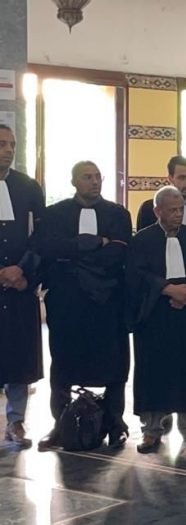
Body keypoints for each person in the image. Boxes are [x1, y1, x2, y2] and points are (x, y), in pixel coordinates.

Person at [36, 161, 132, 450]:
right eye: (87, 177)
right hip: (68, 301)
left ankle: (115, 423)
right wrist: (94, 243)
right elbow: (50, 248)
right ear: (74, 181)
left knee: (114, 362)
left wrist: (75, 252)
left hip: (108, 300)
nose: (94, 181)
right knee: (63, 361)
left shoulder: (117, 214)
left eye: (97, 177)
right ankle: (61, 424)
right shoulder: (55, 214)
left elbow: (118, 252)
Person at [127, 186, 186, 453]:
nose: (178, 214)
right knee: (154, 372)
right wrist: (166, 289)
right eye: (172, 210)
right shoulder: (142, 240)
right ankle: (151, 430)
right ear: (158, 211)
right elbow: (135, 274)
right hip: (155, 315)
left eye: (181, 209)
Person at [0, 124, 44, 448]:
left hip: (19, 283)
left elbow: (41, 235)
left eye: (12, 145)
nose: (8, 150)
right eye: (2, 144)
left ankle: (15, 422)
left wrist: (22, 269)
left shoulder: (28, 187)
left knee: (17, 355)